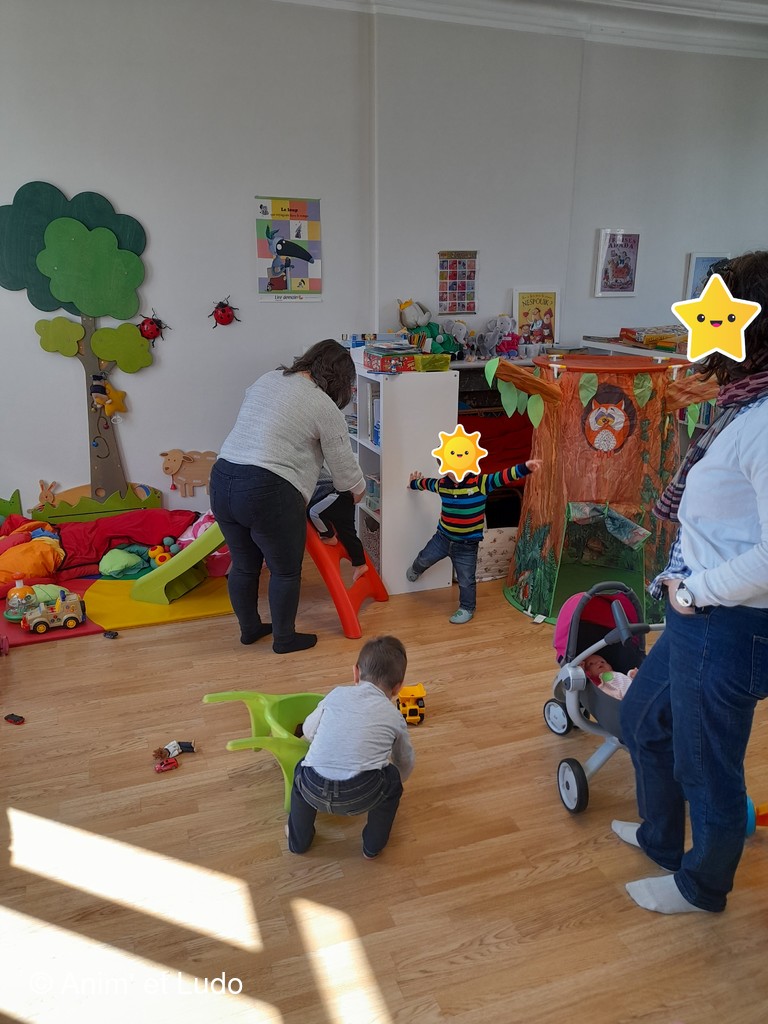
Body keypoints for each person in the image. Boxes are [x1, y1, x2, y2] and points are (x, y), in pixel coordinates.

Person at [614, 251, 768, 914]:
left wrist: (695, 592)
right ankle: (661, 839)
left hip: (727, 621)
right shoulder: (741, 406)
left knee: (706, 768)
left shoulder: (763, 422)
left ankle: (703, 886)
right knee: (643, 722)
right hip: (696, 612)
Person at [210, 340, 365, 654]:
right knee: (285, 570)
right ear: (340, 379)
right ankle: (284, 639)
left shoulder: (268, 379)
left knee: (244, 565)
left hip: (223, 477)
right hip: (267, 488)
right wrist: (359, 492)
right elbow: (344, 471)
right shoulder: (323, 405)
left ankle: (250, 629)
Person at [286, 635, 414, 859]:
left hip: (313, 787)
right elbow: (404, 760)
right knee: (392, 779)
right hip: (361, 795)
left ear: (356, 672)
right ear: (398, 688)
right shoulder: (394, 716)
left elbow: (308, 730)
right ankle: (372, 847)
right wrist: (395, 779)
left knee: (301, 769)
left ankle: (298, 842)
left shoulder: (336, 695)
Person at [406, 459, 541, 623]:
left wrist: (524, 468)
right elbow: (426, 484)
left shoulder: (480, 483)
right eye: (450, 468)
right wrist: (414, 483)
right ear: (444, 469)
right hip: (442, 539)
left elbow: (503, 476)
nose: (456, 472)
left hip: (467, 547)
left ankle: (467, 608)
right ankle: (416, 568)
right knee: (424, 558)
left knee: (466, 580)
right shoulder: (442, 484)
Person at [307, 466, 368, 583]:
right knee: (348, 533)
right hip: (343, 495)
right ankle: (360, 564)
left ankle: (329, 536)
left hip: (335, 495)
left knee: (313, 513)